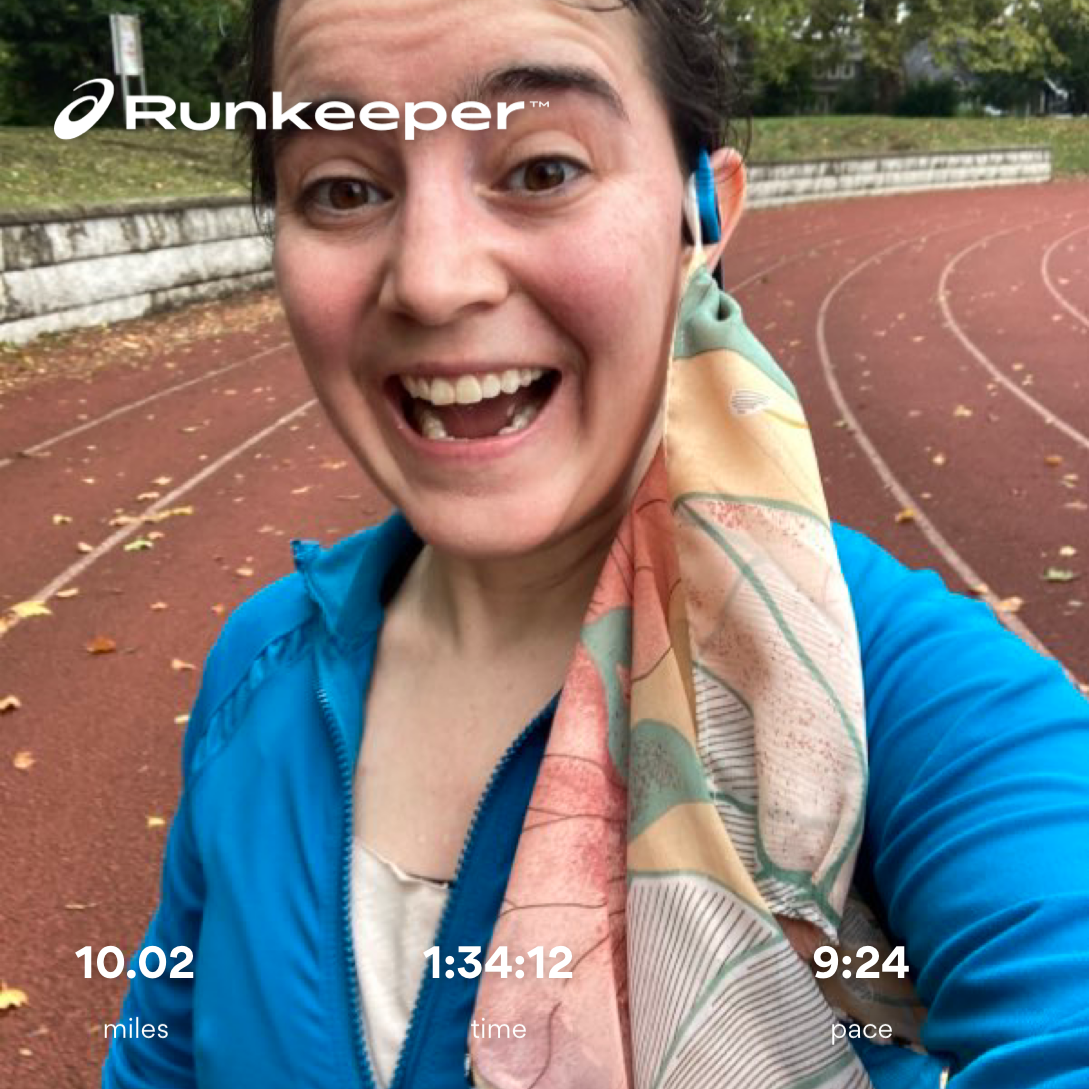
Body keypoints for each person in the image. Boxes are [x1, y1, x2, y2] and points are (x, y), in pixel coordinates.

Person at [103, 1, 1089, 1087]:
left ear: (701, 214)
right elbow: (157, 1059)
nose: (433, 280)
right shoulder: (259, 668)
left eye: (541, 169)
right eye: (344, 187)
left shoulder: (908, 693)